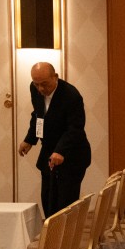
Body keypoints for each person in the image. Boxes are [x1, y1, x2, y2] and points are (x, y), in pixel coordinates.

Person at [18, 62, 92, 217]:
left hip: (72, 156)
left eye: (44, 84)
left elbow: (75, 128)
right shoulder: (34, 88)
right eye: (36, 84)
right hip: (48, 154)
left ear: (55, 77)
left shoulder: (71, 95)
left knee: (65, 207)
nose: (40, 89)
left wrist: (60, 151)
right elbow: (38, 115)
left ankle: (65, 233)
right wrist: (30, 140)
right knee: (48, 202)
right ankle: (51, 232)